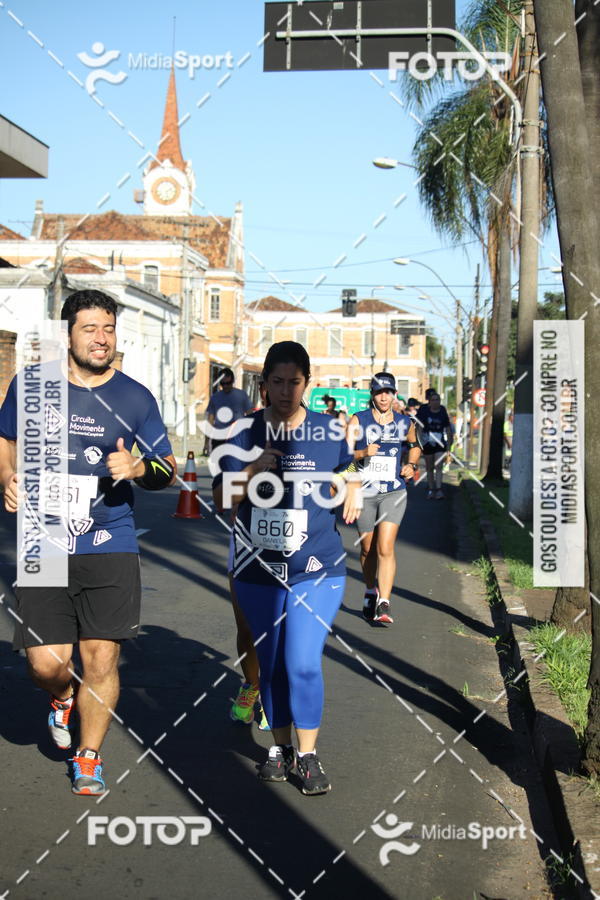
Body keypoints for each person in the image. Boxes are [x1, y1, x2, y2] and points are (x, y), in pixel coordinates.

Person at [0, 290, 176, 796]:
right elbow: (4, 437)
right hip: (44, 536)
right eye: (90, 329)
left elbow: (165, 467)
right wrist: (7, 475)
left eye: (108, 329)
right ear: (68, 334)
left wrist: (140, 468)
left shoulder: (136, 397)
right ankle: (60, 698)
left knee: (101, 657)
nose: (101, 339)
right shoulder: (32, 386)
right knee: (47, 664)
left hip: (111, 538)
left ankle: (89, 754)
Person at [212, 341, 361, 795]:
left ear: (307, 385)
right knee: (272, 662)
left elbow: (349, 468)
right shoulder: (243, 432)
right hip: (258, 569)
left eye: (294, 382)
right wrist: (252, 471)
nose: (284, 390)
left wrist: (353, 483)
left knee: (301, 661)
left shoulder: (328, 431)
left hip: (318, 566)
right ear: (263, 385)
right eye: (276, 381)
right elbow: (220, 497)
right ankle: (279, 748)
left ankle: (309, 754)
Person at [347, 373, 421, 625]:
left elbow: (415, 444)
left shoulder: (403, 422)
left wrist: (411, 464)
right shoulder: (358, 420)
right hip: (364, 493)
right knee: (368, 548)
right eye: (379, 392)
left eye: (388, 392)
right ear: (372, 394)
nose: (384, 397)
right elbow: (343, 456)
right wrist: (362, 452)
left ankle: (385, 601)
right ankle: (370, 589)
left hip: (394, 491)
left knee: (385, 546)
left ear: (394, 394)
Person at [416, 391, 453, 499]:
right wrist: (419, 442)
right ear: (429, 402)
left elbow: (448, 428)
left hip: (439, 443)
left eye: (437, 400)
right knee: (429, 467)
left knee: (439, 465)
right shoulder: (425, 412)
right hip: (427, 442)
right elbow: (419, 427)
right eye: (433, 400)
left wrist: (449, 444)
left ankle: (439, 489)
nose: (435, 402)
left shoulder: (442, 411)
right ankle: (431, 489)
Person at [206, 368, 252, 452]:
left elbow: (250, 416)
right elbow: (210, 420)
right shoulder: (215, 398)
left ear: (233, 381)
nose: (226, 386)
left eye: (228, 383)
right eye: (223, 384)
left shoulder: (242, 395)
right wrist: (206, 443)